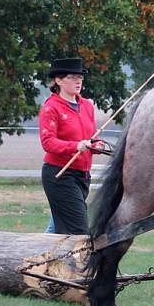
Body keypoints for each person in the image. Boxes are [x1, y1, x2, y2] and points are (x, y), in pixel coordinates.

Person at [39, 57, 102, 234]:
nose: (78, 81)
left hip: (83, 176)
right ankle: (77, 261)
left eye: (80, 77)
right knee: (78, 230)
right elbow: (48, 142)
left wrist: (98, 145)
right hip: (60, 175)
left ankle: (39, 258)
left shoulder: (87, 105)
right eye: (72, 77)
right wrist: (75, 146)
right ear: (58, 80)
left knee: (59, 226)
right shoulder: (51, 107)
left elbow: (91, 137)